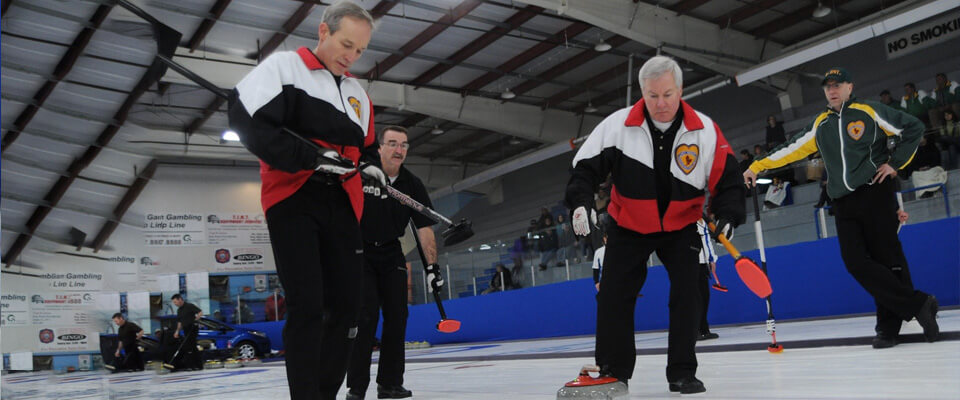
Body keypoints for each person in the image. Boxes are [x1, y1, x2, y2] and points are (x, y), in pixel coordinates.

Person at [565, 55, 745, 395]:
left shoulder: (704, 130)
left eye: (667, 94)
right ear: (642, 92)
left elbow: (729, 180)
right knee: (614, 295)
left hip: (681, 226)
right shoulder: (618, 125)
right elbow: (583, 169)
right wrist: (580, 203)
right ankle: (613, 371)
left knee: (689, 291)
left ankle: (682, 372)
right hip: (628, 224)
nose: (660, 103)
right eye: (652, 95)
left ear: (680, 89)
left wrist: (727, 215)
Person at [227, 2, 381, 398]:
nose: (351, 57)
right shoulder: (283, 69)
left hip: (343, 202)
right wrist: (309, 158)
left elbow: (366, 148)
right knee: (308, 303)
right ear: (323, 32)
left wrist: (369, 166)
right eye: (346, 44)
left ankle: (325, 392)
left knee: (349, 306)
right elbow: (245, 118)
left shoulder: (357, 95)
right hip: (293, 197)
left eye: (360, 51)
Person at [744, 67, 940, 350]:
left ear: (850, 86)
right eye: (827, 87)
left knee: (886, 261)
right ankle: (920, 303)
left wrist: (895, 163)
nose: (832, 90)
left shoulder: (868, 110)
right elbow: (790, 148)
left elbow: (913, 128)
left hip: (875, 191)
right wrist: (756, 165)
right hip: (843, 200)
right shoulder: (820, 124)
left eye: (837, 85)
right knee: (856, 262)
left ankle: (887, 329)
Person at [346, 126, 440, 400]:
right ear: (380, 148)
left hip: (391, 252)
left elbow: (424, 227)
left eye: (404, 145)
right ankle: (357, 386)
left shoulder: (412, 184)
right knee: (365, 318)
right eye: (392, 143)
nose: (399, 150)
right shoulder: (364, 174)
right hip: (360, 252)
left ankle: (389, 384)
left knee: (398, 317)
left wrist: (432, 268)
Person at [694, 220, 719, 341]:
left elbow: (707, 241)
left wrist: (712, 259)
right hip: (692, 263)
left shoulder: (703, 221)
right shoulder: (690, 221)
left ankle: (704, 329)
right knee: (695, 299)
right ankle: (695, 330)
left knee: (705, 297)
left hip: (703, 263)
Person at [171, 294, 203, 370]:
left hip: (192, 328)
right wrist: (177, 331)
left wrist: (196, 320)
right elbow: (179, 322)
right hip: (185, 329)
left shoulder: (189, 306)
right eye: (174, 303)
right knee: (188, 347)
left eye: (175, 302)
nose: (175, 304)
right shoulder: (179, 310)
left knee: (192, 346)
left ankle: (198, 365)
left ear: (180, 299)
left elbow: (200, 312)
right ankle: (191, 365)